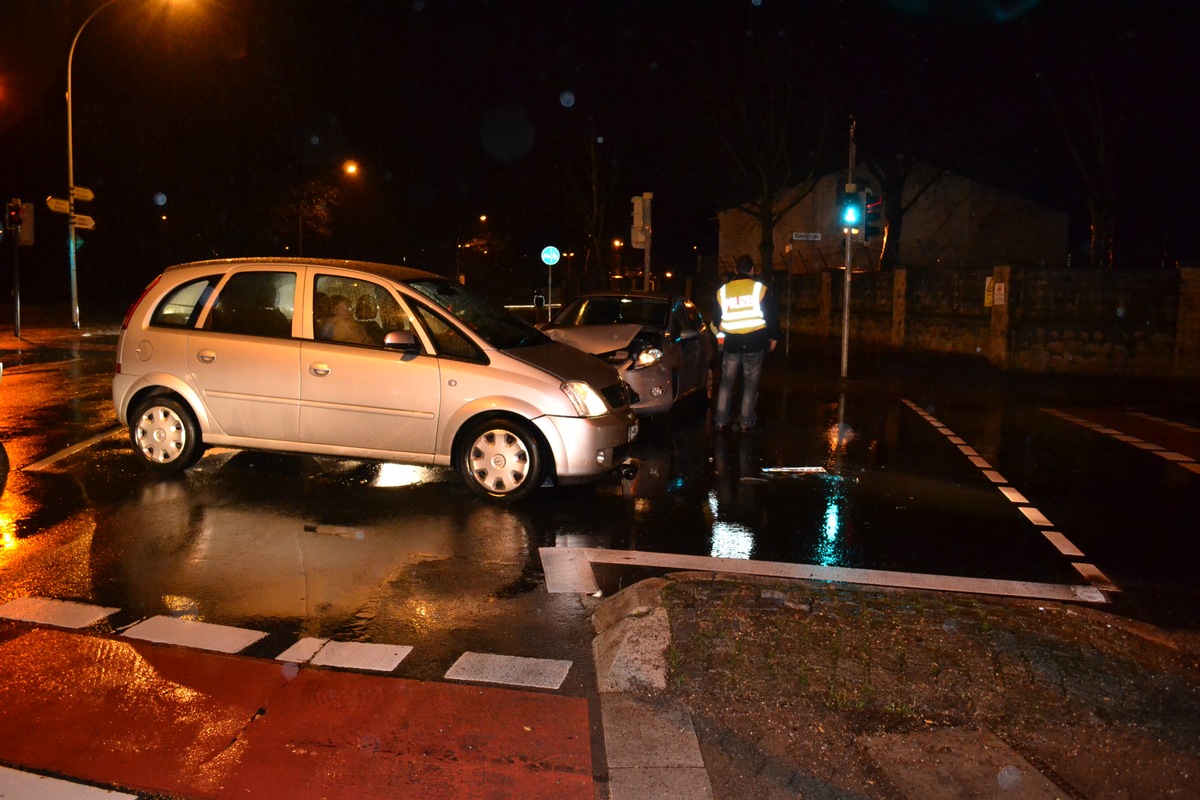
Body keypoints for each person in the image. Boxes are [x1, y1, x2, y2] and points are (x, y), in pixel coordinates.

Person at [712, 254, 779, 432]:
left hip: (731, 343)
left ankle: (720, 420)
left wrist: (725, 330)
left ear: (735, 270)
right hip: (755, 342)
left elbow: (715, 317)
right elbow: (771, 316)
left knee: (726, 382)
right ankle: (746, 423)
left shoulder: (723, 291)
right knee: (750, 383)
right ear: (752, 270)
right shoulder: (760, 289)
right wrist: (773, 337)